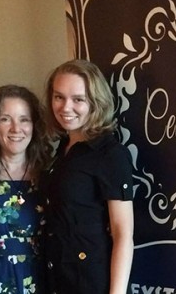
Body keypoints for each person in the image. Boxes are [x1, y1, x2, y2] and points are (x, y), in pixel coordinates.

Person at [41, 59, 135, 294]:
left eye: (78, 99)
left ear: (95, 102)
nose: (65, 107)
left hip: (92, 281)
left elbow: (123, 233)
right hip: (57, 276)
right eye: (59, 97)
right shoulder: (62, 147)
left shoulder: (110, 154)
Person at [0, 85, 52, 294]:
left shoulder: (51, 174)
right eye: (5, 119)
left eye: (24, 119)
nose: (16, 128)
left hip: (43, 281)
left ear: (34, 126)